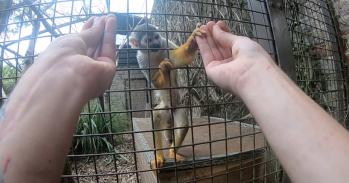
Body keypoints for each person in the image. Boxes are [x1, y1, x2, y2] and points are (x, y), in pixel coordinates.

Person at [0, 15, 348, 183]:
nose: (153, 42)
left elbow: (181, 57)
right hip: (164, 98)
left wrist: (192, 42)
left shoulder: (162, 44)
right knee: (160, 116)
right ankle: (162, 151)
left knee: (181, 119)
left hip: (181, 96)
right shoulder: (139, 56)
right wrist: (164, 69)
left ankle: (173, 149)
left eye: (154, 37)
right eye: (147, 40)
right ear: (137, 45)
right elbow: (159, 79)